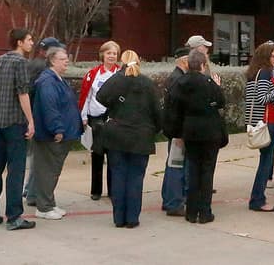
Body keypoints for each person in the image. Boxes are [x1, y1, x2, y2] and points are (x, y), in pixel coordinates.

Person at [97, 49, 161, 229]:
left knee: (118, 175)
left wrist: (114, 106)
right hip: (141, 135)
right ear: (139, 62)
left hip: (117, 134)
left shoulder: (117, 80)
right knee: (136, 177)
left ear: (122, 62)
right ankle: (132, 217)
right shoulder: (147, 84)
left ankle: (119, 218)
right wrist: (153, 130)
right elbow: (157, 112)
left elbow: (100, 96)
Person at [164, 49, 227, 223]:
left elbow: (173, 108)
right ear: (202, 65)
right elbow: (221, 102)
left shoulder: (180, 83)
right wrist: (217, 86)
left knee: (193, 170)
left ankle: (191, 212)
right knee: (207, 172)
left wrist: (175, 132)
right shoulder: (208, 83)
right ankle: (205, 211)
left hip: (190, 132)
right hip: (210, 132)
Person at [0, 28, 37, 231]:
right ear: (19, 42)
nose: (32, 43)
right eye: (29, 39)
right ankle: (14, 215)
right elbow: (23, 93)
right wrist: (30, 120)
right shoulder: (21, 63)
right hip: (15, 122)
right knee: (16, 170)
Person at [30, 46, 82, 221]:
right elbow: (49, 107)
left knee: (53, 170)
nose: (66, 61)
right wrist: (57, 129)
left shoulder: (57, 79)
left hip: (62, 133)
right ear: (52, 60)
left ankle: (49, 203)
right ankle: (43, 207)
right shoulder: (47, 82)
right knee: (47, 170)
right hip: (50, 136)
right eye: (62, 59)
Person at [77, 40, 121, 201]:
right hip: (95, 118)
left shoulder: (120, 73)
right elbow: (86, 96)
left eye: (114, 53)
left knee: (114, 154)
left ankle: (113, 190)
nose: (112, 56)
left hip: (114, 119)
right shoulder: (93, 74)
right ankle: (96, 190)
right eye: (109, 53)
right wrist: (83, 117)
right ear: (103, 55)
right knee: (97, 154)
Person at [22, 35, 60, 209]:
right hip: (37, 117)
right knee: (40, 158)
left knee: (36, 156)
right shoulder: (42, 68)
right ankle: (33, 194)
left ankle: (30, 189)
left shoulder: (33, 64)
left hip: (31, 116)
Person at [243, 40, 274, 212]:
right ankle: (258, 198)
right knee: (266, 161)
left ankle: (258, 197)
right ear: (266, 57)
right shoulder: (265, 73)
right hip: (267, 122)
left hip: (258, 122)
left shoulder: (253, 73)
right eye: (273, 56)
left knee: (265, 160)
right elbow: (262, 98)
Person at [160, 47, 191, 217]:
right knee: (176, 167)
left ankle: (169, 200)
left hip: (174, 130)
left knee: (173, 165)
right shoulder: (178, 80)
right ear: (184, 60)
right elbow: (177, 110)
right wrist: (180, 134)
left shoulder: (175, 78)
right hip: (178, 131)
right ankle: (174, 203)